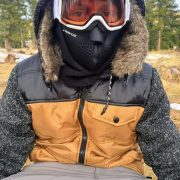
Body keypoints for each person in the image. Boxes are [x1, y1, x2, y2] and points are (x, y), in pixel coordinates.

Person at [0, 0, 180, 179]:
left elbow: (165, 148)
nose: (95, 30)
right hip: (46, 170)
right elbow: (7, 147)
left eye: (109, 15)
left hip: (119, 170)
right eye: (78, 14)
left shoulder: (143, 81)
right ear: (52, 19)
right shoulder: (27, 77)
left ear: (129, 20)